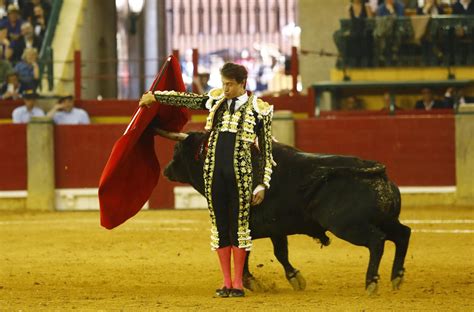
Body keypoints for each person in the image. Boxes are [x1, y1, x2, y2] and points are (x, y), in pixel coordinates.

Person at [139, 62, 274, 298]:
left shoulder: (260, 110)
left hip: (241, 177)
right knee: (220, 227)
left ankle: (238, 284)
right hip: (213, 175)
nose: (226, 89)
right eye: (223, 84)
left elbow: (267, 152)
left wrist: (262, 184)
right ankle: (226, 282)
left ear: (243, 83)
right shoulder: (216, 100)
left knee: (239, 229)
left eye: (230, 85)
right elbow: (188, 99)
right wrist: (155, 96)